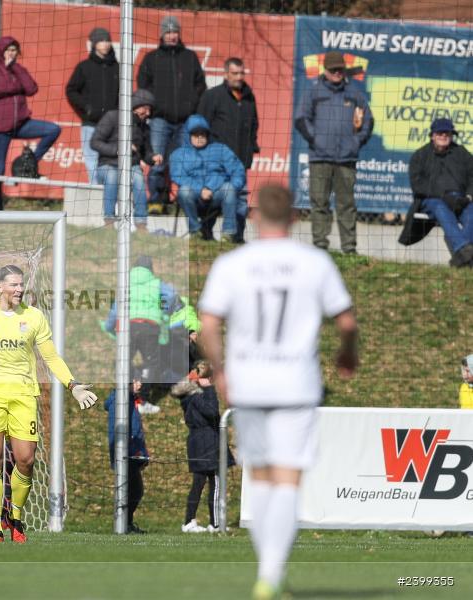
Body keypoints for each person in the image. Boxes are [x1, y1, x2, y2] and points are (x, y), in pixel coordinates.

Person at [198, 183, 359, 600]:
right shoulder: (315, 262)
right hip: (296, 383)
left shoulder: (233, 264)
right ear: (295, 217)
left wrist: (220, 371)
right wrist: (347, 354)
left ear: (253, 217)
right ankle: (271, 574)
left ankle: (269, 574)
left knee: (262, 476)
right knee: (288, 478)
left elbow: (209, 323)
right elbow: (346, 322)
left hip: (249, 382)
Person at [0, 265, 97, 542]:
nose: (19, 289)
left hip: (23, 395)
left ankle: (15, 516)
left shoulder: (34, 317)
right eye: (14, 285)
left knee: (26, 460)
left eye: (21, 285)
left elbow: (51, 357)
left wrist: (73, 385)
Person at [294, 50, 373, 254]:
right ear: (325, 70)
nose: (337, 72)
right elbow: (301, 119)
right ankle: (320, 246)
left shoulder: (354, 93)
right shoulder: (313, 92)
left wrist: (356, 142)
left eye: (340, 69)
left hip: (346, 159)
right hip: (320, 158)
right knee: (319, 203)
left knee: (347, 205)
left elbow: (368, 120)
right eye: (333, 69)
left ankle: (349, 248)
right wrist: (316, 140)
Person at [0, 37, 61, 210]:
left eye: (14, 50)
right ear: (1, 51)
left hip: (20, 124)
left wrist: (15, 68)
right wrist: (16, 87)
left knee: (53, 129)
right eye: (8, 50)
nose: (11, 53)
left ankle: (30, 163)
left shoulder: (19, 70)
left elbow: (31, 89)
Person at [137, 15, 206, 208]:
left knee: (185, 164)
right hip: (159, 120)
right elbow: (142, 86)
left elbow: (200, 85)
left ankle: (186, 202)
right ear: (162, 34)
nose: (171, 35)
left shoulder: (190, 57)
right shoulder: (151, 58)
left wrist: (191, 105)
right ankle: (156, 202)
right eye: (167, 32)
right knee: (158, 162)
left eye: (174, 31)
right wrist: (155, 107)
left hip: (185, 121)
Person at [197, 57, 259, 242]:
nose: (239, 77)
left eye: (241, 73)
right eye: (234, 73)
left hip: (240, 161)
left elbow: (254, 125)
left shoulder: (249, 97)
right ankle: (205, 234)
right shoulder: (212, 96)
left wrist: (250, 150)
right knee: (214, 198)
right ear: (225, 74)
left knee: (240, 199)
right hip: (216, 161)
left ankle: (236, 238)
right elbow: (200, 126)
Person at [400, 118, 473, 268]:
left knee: (472, 212)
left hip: (460, 199)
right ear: (432, 135)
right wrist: (443, 195)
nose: (444, 136)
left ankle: (461, 257)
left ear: (452, 135)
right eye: (440, 133)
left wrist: (468, 196)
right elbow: (417, 185)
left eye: (447, 133)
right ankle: (463, 249)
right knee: (440, 207)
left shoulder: (462, 153)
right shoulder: (420, 155)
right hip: (432, 199)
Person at [171, 361, 233, 533]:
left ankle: (189, 520)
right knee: (216, 481)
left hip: (197, 441)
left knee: (198, 483)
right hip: (208, 441)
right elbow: (212, 412)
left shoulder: (188, 394)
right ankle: (215, 523)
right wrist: (209, 389)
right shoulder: (200, 394)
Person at [89, 89, 160, 229]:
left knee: (139, 180)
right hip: (108, 164)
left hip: (131, 166)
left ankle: (141, 223)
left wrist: (153, 157)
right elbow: (95, 142)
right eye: (145, 108)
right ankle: (109, 220)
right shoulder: (112, 116)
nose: (148, 113)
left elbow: (146, 153)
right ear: (135, 105)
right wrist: (120, 149)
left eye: (150, 110)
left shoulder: (144, 127)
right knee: (112, 177)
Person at [170, 114, 246, 242]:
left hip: (216, 193)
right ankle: (195, 232)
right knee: (184, 191)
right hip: (195, 195)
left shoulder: (221, 149)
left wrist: (232, 187)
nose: (200, 137)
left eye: (203, 134)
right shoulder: (178, 154)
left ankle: (228, 234)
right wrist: (201, 190)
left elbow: (238, 171)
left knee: (229, 188)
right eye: (195, 134)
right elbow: (178, 176)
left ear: (208, 135)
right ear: (188, 135)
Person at [65, 27, 119, 183]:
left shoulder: (117, 68)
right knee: (92, 163)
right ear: (94, 44)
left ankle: (110, 196)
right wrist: (87, 109)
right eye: (101, 41)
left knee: (111, 164)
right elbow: (71, 91)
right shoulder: (84, 67)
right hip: (91, 124)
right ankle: (95, 195)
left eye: (107, 40)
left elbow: (123, 94)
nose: (105, 44)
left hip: (112, 126)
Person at [104, 378, 150, 534]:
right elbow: (116, 432)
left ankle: (126, 524)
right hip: (126, 455)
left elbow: (136, 431)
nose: (139, 384)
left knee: (134, 491)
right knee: (135, 491)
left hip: (133, 455)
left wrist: (143, 454)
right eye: (135, 381)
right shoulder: (119, 402)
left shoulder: (130, 400)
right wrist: (120, 453)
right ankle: (123, 523)